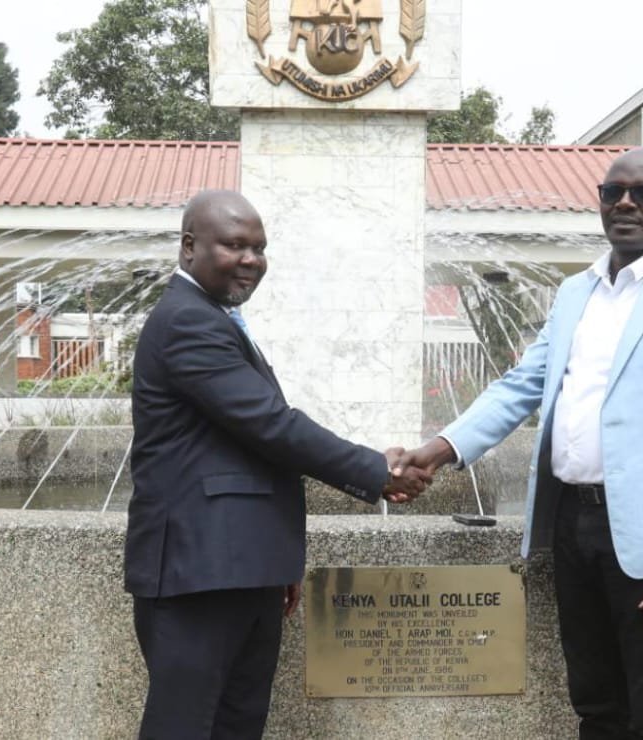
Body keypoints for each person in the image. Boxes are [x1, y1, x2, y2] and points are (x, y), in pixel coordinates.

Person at [395, 148, 643, 738]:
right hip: (572, 521)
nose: (624, 203)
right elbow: (522, 385)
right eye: (612, 191)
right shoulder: (575, 292)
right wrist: (441, 448)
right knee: (594, 705)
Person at [125, 189, 428, 739]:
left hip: (243, 568)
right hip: (200, 574)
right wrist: (374, 471)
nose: (251, 260)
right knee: (183, 727)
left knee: (237, 725)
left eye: (260, 248)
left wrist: (277, 561)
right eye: (235, 246)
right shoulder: (186, 322)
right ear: (190, 246)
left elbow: (251, 449)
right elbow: (272, 425)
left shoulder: (216, 318)